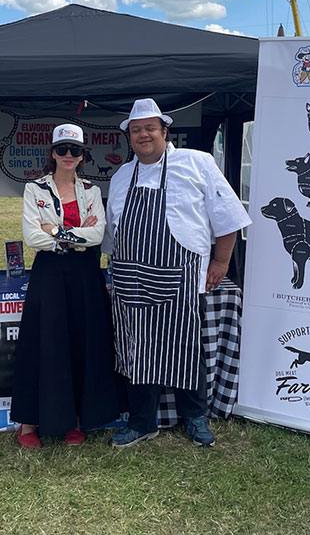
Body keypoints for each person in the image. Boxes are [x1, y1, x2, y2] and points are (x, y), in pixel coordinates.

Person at [102, 98, 252, 448]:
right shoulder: (123, 175)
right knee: (135, 349)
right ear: (130, 136)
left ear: (164, 131)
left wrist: (220, 262)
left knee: (185, 348)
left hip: (182, 278)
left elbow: (228, 217)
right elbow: (112, 232)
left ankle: (195, 417)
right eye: (136, 130)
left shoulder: (198, 163)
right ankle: (142, 422)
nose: (143, 135)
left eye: (150, 128)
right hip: (129, 279)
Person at [10, 123, 120, 448]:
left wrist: (56, 232)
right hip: (50, 275)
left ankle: (74, 420)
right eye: (62, 149)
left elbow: (98, 235)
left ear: (83, 155)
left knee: (81, 342)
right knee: (44, 342)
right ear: (52, 153)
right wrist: (74, 237)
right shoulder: (35, 189)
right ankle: (28, 424)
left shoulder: (91, 190)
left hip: (85, 275)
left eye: (75, 150)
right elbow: (32, 237)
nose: (68, 155)